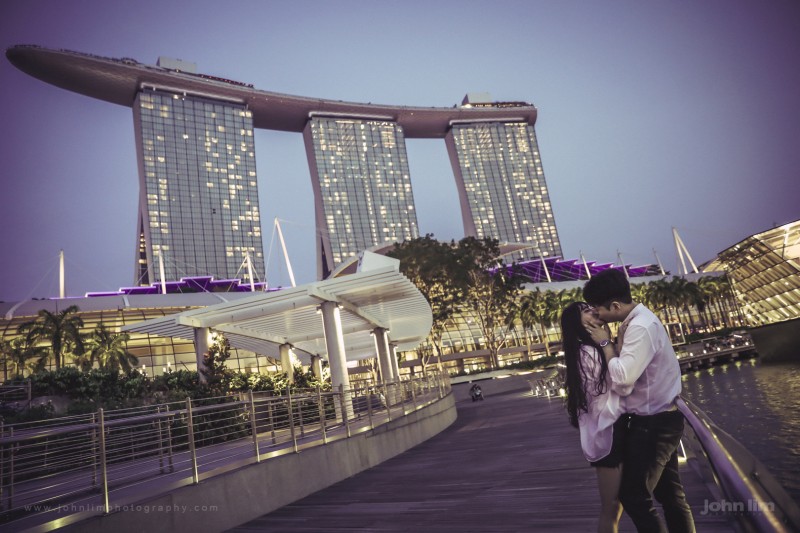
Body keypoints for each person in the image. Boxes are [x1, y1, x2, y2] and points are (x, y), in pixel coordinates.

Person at [583, 269, 695, 533]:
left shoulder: (640, 327)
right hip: (658, 418)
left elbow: (623, 379)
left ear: (615, 306)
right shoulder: (635, 322)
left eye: (598, 309)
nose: (597, 315)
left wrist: (604, 344)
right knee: (670, 496)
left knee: (634, 495)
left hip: (655, 424)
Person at [561, 301, 629, 533]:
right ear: (578, 324)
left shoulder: (594, 349)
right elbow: (609, 393)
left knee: (617, 506)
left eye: (591, 307)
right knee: (610, 507)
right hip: (608, 431)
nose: (593, 310)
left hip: (614, 427)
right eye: (585, 311)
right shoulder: (587, 352)